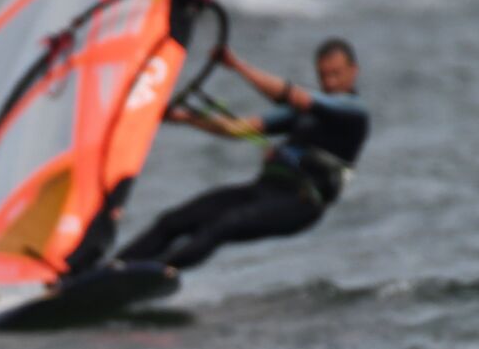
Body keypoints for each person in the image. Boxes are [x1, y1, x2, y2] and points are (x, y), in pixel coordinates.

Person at [116, 38, 369, 271]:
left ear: (353, 71)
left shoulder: (353, 112)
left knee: (222, 226)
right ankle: (115, 267)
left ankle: (155, 272)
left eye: (337, 74)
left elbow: (293, 95)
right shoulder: (304, 113)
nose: (330, 83)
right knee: (174, 220)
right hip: (263, 191)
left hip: (300, 203)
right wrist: (186, 119)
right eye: (324, 76)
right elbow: (239, 129)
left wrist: (237, 66)